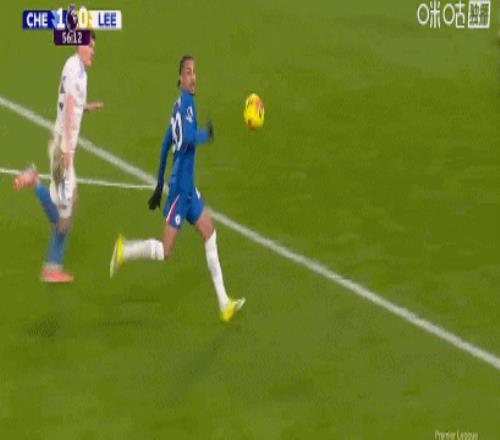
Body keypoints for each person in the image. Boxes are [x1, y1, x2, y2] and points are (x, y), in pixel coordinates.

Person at [110, 55, 245, 322]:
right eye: (189, 73)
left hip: (187, 188)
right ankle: (125, 250)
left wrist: (158, 183)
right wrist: (206, 135)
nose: (193, 78)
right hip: (180, 193)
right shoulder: (186, 105)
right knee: (166, 251)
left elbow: (165, 144)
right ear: (181, 79)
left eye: (195, 72)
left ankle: (224, 303)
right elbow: (185, 139)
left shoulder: (179, 105)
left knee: (210, 233)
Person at [13, 32, 103, 282]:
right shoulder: (76, 71)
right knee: (64, 221)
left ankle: (34, 181)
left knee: (71, 202)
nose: (93, 51)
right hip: (62, 149)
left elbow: (69, 103)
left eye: (94, 47)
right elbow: (69, 107)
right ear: (79, 45)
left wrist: (87, 108)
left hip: (60, 144)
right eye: (89, 46)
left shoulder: (76, 68)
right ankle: (51, 268)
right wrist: (68, 152)